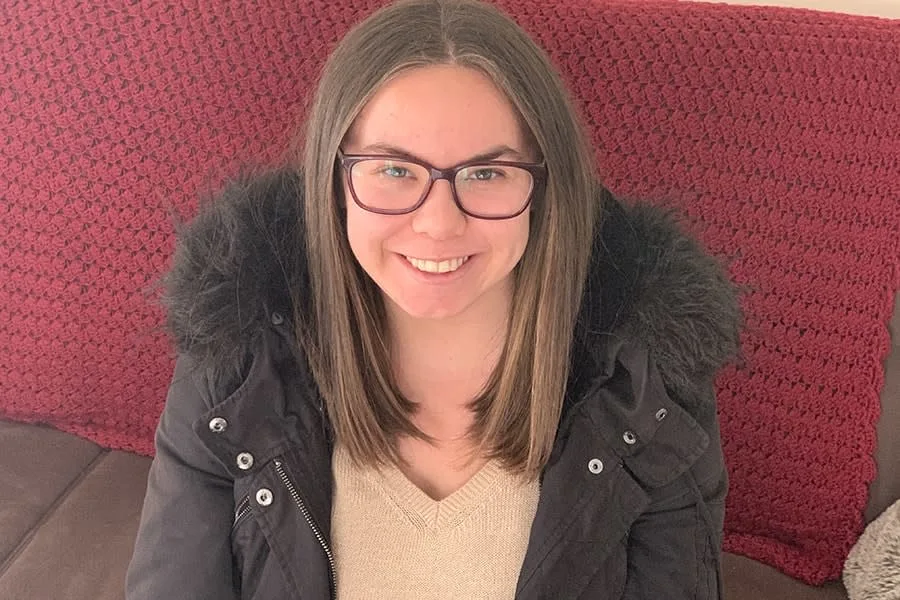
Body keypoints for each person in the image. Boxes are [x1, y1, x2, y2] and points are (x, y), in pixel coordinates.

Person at [125, 0, 741, 598]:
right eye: (394, 171)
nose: (439, 224)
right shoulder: (236, 362)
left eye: (486, 173)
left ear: (545, 186)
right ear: (333, 183)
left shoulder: (648, 389)